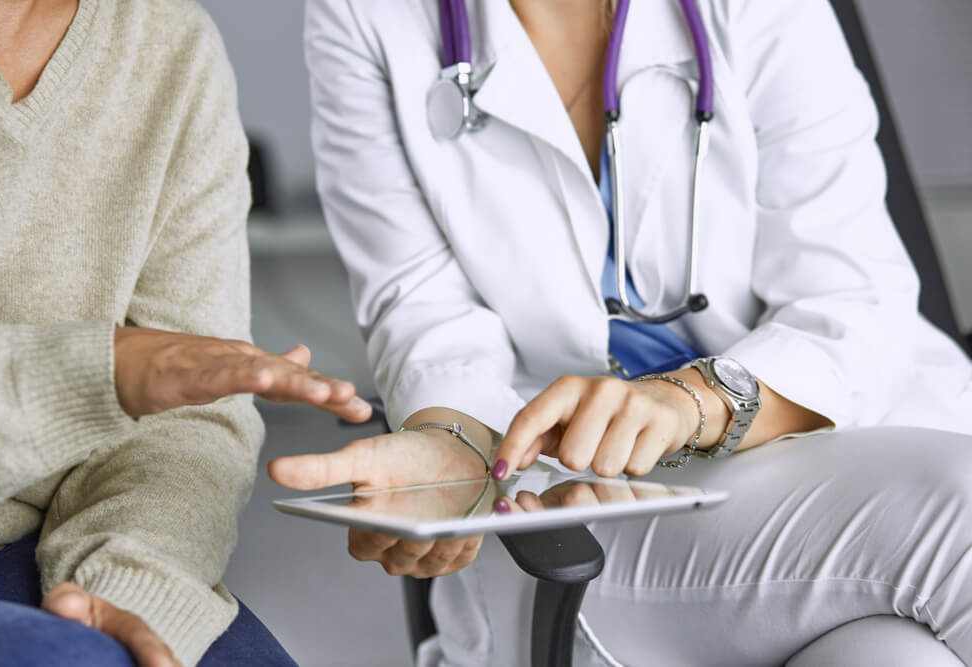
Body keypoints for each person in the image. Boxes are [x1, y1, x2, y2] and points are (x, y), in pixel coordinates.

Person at [271, 0, 972, 665]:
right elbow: (424, 315)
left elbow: (853, 293)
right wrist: (451, 442)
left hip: (848, 443)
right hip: (579, 507)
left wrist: (689, 401)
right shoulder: (364, 13)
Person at [0, 1, 371, 665]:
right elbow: (133, 374)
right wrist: (102, 374)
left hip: (47, 543)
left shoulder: (169, 44)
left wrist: (131, 580)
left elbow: (190, 420)